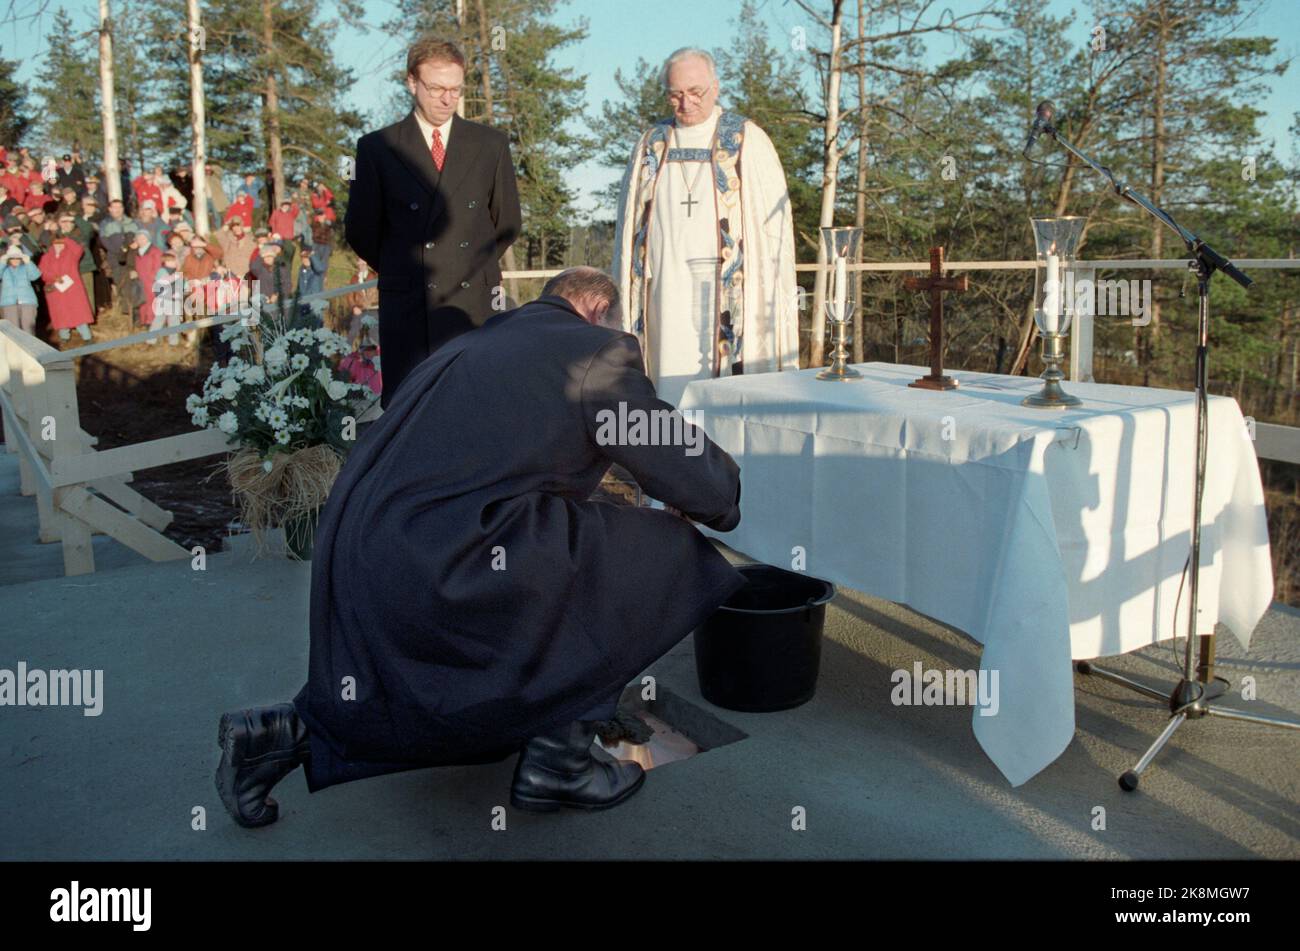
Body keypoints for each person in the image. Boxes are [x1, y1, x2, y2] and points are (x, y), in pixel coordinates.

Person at [213, 267, 746, 825]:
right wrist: (721, 494)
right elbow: (670, 453)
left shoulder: (469, 345)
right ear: (595, 308)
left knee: (574, 547)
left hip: (362, 558)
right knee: (661, 551)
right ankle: (561, 760)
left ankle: (274, 735)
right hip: (443, 561)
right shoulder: (595, 350)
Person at [612, 47, 800, 407]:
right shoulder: (651, 145)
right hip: (662, 293)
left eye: (695, 92)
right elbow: (629, 230)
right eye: (675, 94)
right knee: (665, 377)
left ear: (715, 88)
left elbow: (770, 235)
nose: (686, 103)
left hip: (727, 293)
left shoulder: (747, 140)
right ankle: (664, 447)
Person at [345, 36, 521, 409]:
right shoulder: (376, 148)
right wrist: (407, 267)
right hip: (409, 305)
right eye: (436, 88)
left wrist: (470, 265)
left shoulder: (491, 144)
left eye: (455, 90)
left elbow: (507, 222)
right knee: (412, 413)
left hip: (473, 305)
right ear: (412, 82)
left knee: (477, 408)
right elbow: (360, 230)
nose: (446, 99)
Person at [38, 234, 95, 342]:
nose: (59, 245)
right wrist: (54, 278)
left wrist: (65, 239)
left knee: (78, 313)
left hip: (72, 290)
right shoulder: (46, 258)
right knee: (60, 314)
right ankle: (64, 337)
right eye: (56, 243)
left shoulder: (71, 254)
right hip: (56, 291)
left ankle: (87, 337)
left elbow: (78, 248)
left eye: (61, 243)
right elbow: (42, 273)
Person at [0, 244, 41, 335]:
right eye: (12, 258)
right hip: (8, 304)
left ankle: (30, 348)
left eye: (17, 258)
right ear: (8, 259)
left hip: (28, 302)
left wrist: (29, 263)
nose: (15, 260)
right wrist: (2, 263)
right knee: (13, 332)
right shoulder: (4, 269)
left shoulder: (26, 267)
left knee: (29, 330)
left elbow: (35, 276)